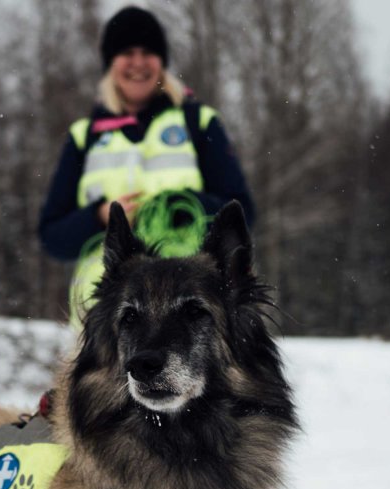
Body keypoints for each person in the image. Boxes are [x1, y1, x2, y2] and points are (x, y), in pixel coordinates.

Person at [38, 5, 255, 324]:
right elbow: (52, 238)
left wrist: (182, 205)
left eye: (148, 52)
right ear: (110, 62)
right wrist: (100, 217)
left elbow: (242, 213)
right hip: (104, 322)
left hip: (187, 315)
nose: (138, 62)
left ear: (162, 62)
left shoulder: (198, 123)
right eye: (127, 52)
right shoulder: (83, 136)